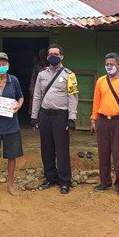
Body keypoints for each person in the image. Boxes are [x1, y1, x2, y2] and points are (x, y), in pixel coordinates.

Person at [31, 44, 79, 194]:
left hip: (61, 116)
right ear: (47, 57)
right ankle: (50, 178)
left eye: (56, 54)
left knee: (62, 149)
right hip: (45, 115)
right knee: (46, 148)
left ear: (61, 56)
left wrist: (72, 118)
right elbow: (37, 96)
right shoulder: (42, 74)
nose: (52, 56)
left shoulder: (69, 75)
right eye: (50, 54)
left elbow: (73, 97)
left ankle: (65, 181)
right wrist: (34, 116)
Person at [90, 53, 119, 196]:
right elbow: (96, 101)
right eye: (107, 64)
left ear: (118, 65)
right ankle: (104, 182)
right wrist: (93, 119)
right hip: (103, 121)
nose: (109, 66)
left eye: (112, 64)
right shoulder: (101, 81)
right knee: (103, 153)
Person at [0, 52, 24, 196]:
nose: (1, 67)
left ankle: (10, 185)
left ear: (8, 65)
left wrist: (18, 106)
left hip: (11, 125)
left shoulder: (14, 81)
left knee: (12, 156)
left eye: (4, 64)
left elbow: (20, 97)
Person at [28, 48, 48, 114]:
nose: (42, 56)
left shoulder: (50, 65)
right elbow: (33, 78)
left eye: (44, 54)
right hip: (37, 87)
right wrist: (32, 89)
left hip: (48, 88)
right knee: (36, 103)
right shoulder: (37, 66)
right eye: (41, 54)